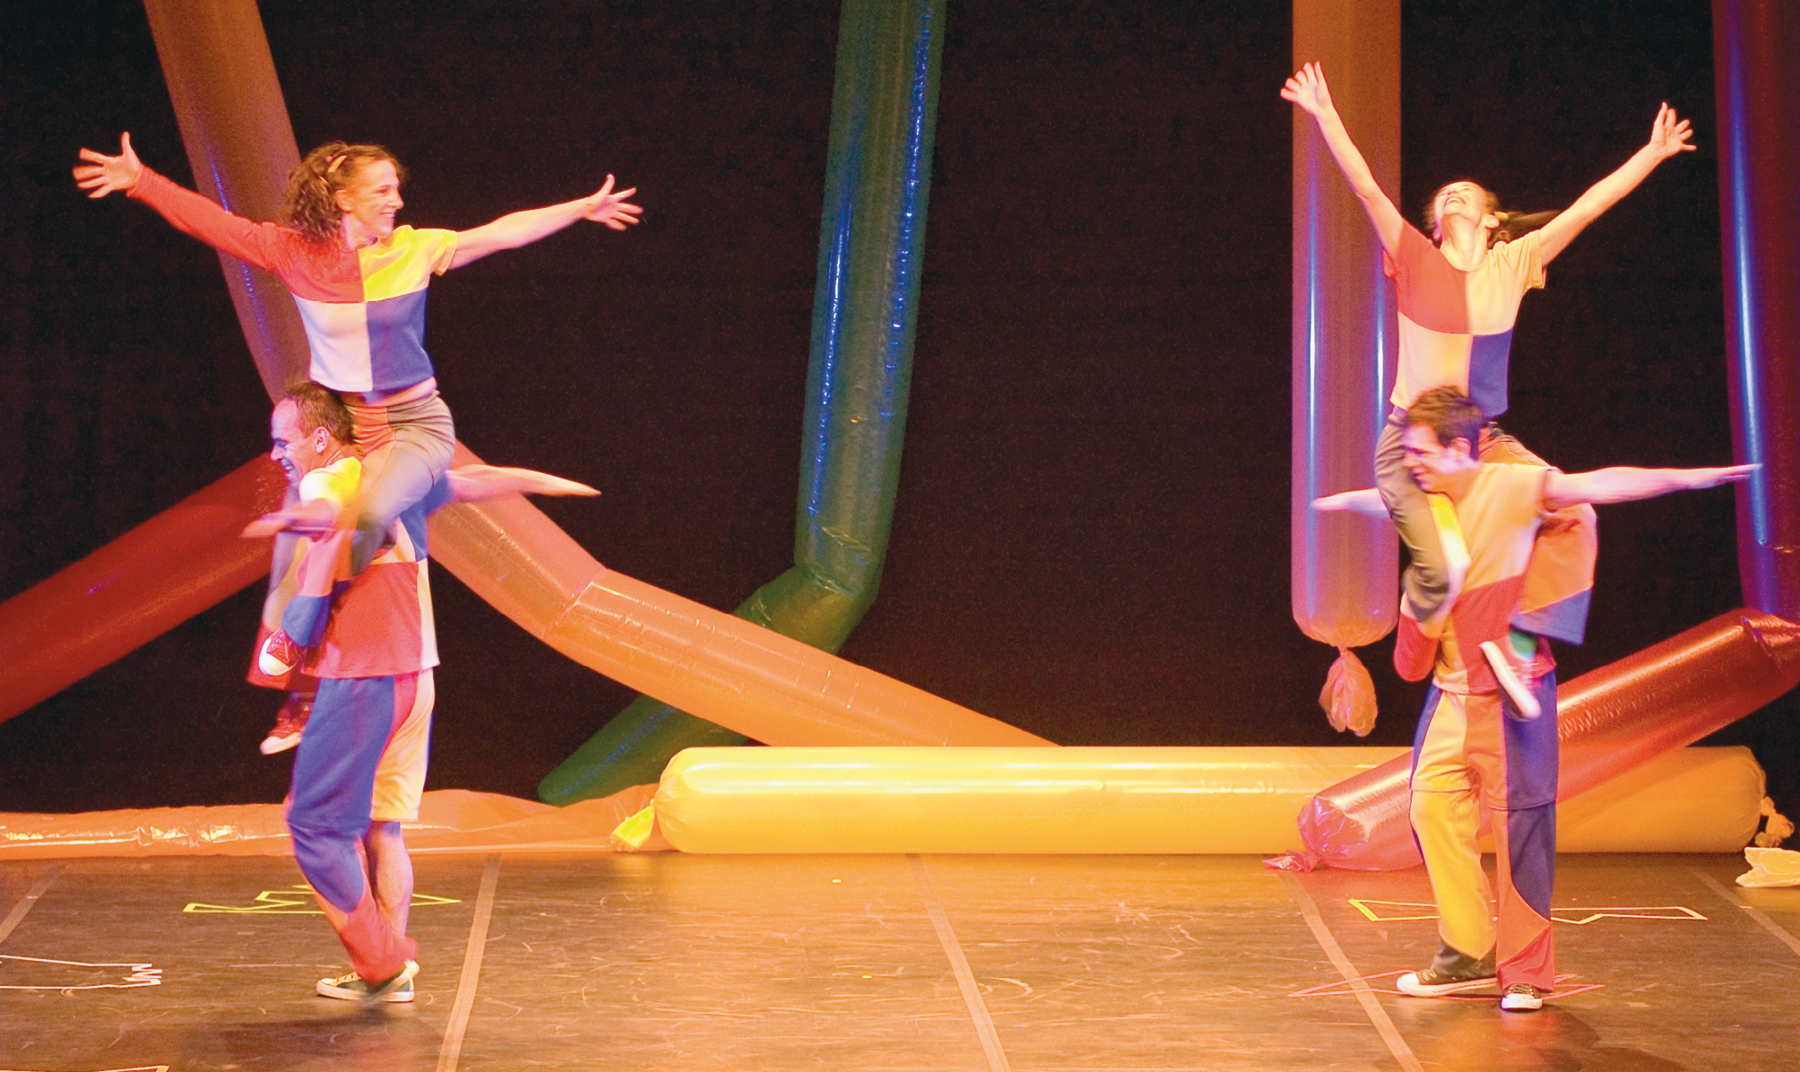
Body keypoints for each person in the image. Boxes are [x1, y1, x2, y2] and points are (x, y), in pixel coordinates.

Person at [73, 133, 640, 744]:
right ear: (340, 197)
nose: (397, 199)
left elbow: (500, 232)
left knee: (363, 519)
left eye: (396, 188)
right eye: (382, 190)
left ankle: (302, 641)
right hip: (345, 427)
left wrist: (579, 208)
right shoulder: (293, 253)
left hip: (414, 427)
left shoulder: (416, 250)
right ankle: (304, 690)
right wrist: (141, 181)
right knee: (301, 545)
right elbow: (217, 225)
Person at [1281, 62, 1695, 647]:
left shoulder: (1515, 262)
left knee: (1577, 514)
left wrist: (1651, 153)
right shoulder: (1412, 257)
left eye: (1465, 192)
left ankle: (1523, 639)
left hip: (1482, 441)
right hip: (1408, 442)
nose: (1452, 193)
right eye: (1444, 194)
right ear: (1432, 227)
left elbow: (1586, 208)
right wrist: (1325, 115)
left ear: (1490, 220)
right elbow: (1365, 186)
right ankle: (1415, 629)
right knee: (1446, 558)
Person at [1365, 385, 1750, 1012]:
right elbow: (1376, 499)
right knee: (1432, 815)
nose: (1412, 463)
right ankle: (1467, 954)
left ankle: (1525, 972)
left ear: (1462, 449)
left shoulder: (1510, 486)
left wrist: (1688, 478)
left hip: (1510, 697)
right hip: (1448, 695)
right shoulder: (1428, 503)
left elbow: (1599, 486)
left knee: (1522, 833)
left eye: (1421, 452)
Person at [253, 382, 597, 1002]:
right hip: (416, 680)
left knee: (313, 825)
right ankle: (388, 979)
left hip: (365, 680)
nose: (277, 452)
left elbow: (313, 587)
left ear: (321, 437)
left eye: (284, 440)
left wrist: (286, 627)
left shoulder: (334, 488)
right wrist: (539, 481)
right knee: (381, 828)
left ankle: (384, 962)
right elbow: (472, 480)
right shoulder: (395, 486)